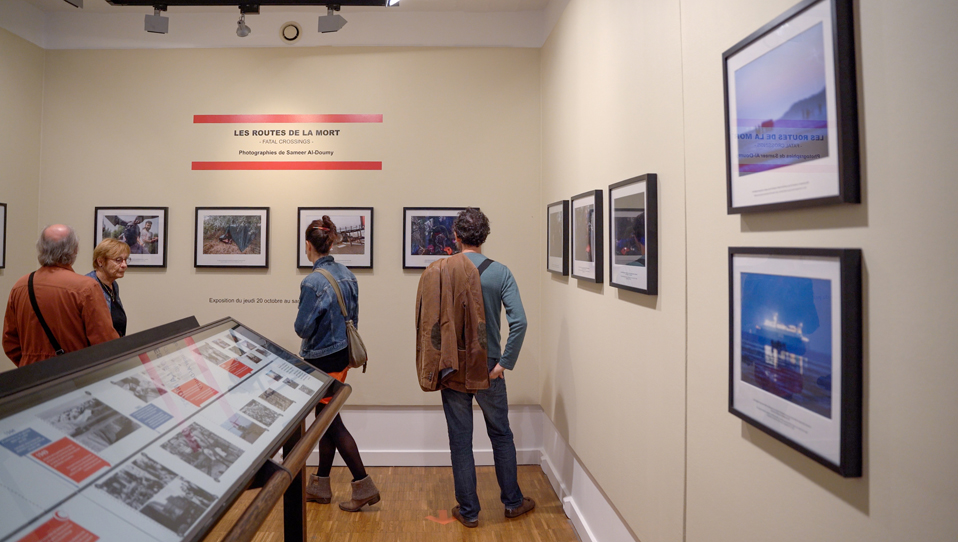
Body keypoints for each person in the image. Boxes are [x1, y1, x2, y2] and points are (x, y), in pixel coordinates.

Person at [442, 208, 534, 528]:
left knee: (460, 440)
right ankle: (512, 502)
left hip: (454, 367)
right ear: (485, 237)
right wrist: (504, 363)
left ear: (457, 237)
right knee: (501, 435)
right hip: (489, 365)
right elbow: (519, 322)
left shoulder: (444, 271)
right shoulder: (500, 273)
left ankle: (468, 512)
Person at [295, 216, 380, 512]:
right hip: (342, 356)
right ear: (330, 242)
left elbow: (302, 328)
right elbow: (352, 320)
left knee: (331, 422)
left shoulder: (312, 281)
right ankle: (320, 484)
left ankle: (363, 484)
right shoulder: (347, 274)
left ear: (309, 246)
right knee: (327, 419)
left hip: (320, 360)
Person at [3, 224, 119, 366]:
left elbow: (10, 342)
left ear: (41, 249)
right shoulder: (86, 287)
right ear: (74, 250)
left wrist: (30, 363)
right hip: (72, 375)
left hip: (30, 376)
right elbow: (105, 344)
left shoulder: (20, 285)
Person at [86, 238, 130, 337]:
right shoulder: (88, 286)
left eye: (126, 260)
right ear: (100, 261)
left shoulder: (113, 285)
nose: (124, 265)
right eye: (118, 260)